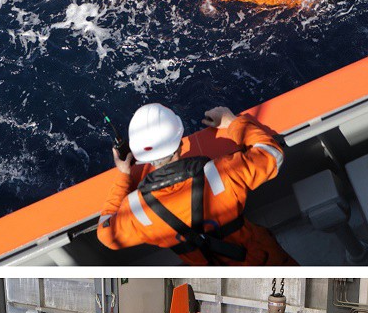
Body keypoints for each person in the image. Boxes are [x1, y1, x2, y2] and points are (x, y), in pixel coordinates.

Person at [96, 101, 296, 266]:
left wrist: (123, 176)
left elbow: (106, 235)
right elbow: (272, 155)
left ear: (141, 156)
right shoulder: (223, 174)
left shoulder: (137, 211)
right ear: (181, 143)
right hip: (263, 261)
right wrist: (232, 123)